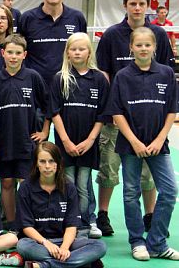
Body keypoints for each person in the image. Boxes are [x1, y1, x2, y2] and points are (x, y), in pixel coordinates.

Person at [94, 0, 174, 237]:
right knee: (109, 167)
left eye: (142, 4)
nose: (137, 8)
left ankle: (149, 215)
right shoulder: (111, 35)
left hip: (149, 119)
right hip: (116, 118)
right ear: (125, 5)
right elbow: (104, 73)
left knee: (148, 173)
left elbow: (165, 72)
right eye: (133, 3)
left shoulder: (159, 34)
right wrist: (114, 110)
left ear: (148, 6)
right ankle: (103, 214)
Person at [106, 27, 179, 261]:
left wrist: (159, 139)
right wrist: (135, 141)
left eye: (148, 45)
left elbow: (172, 110)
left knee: (169, 191)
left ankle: (157, 242)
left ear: (155, 47)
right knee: (130, 193)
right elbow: (117, 113)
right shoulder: (123, 76)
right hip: (130, 147)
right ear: (131, 48)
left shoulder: (167, 73)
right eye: (139, 45)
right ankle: (137, 241)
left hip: (159, 146)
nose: (143, 49)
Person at [50, 33, 109, 240]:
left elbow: (102, 113)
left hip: (88, 143)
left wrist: (90, 140)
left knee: (83, 183)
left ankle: (86, 221)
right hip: (66, 143)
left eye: (82, 49)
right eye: (73, 49)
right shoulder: (60, 78)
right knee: (67, 183)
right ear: (67, 52)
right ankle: (69, 222)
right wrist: (65, 141)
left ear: (89, 52)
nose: (77, 52)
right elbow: (54, 112)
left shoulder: (99, 78)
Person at [0, 34, 49, 231]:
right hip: (3, 142)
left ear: (24, 55)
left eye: (17, 53)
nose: (13, 57)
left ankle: (27, 225)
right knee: (6, 183)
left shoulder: (33, 77)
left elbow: (49, 106)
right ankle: (13, 224)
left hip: (27, 142)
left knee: (26, 184)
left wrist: (44, 132)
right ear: (2, 53)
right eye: (9, 53)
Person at [16, 142, 107, 268]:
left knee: (99, 246)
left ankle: (44, 266)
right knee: (22, 245)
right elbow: (26, 227)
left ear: (58, 163)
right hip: (38, 242)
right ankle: (81, 262)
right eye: (42, 161)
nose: (47, 166)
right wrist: (46, 243)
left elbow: (71, 225)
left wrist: (64, 247)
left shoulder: (69, 187)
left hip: (65, 240)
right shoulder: (26, 187)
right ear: (36, 164)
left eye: (51, 161)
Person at [17, 0, 87, 85]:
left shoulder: (77, 18)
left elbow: (85, 53)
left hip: (70, 85)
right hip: (35, 87)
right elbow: (19, 53)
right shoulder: (27, 19)